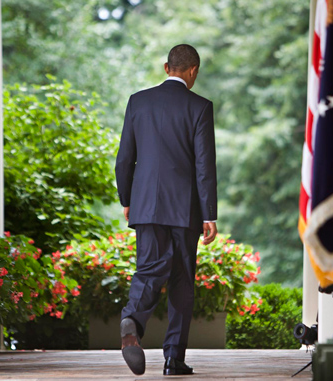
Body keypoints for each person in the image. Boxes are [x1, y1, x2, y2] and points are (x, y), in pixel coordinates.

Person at [115, 44, 218, 376]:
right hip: (185, 210)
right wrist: (209, 214)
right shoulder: (200, 107)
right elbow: (205, 166)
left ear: (166, 67)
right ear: (193, 72)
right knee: (182, 281)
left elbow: (123, 161)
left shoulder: (138, 102)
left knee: (148, 269)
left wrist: (128, 200)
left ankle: (132, 320)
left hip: (145, 206)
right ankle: (174, 358)